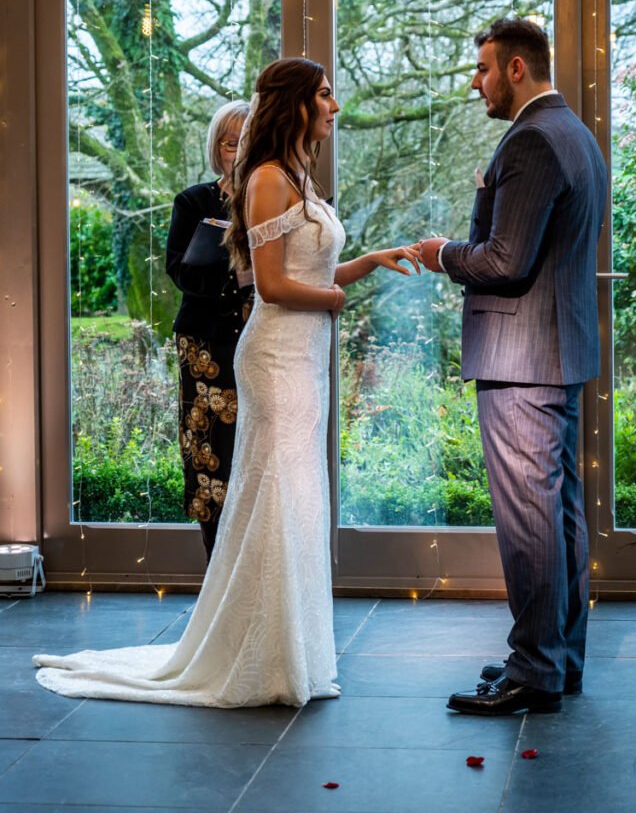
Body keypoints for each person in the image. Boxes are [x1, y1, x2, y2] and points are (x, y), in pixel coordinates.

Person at [33, 57, 420, 708]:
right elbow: (269, 286)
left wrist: (366, 264)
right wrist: (328, 302)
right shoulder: (267, 179)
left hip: (302, 357)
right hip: (274, 356)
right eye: (325, 95)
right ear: (297, 102)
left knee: (296, 498)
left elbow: (307, 267)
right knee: (276, 490)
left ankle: (287, 646)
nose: (333, 106)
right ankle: (260, 649)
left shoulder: (298, 175)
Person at [419, 18, 607, 716]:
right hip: (554, 354)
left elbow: (503, 261)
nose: (476, 82)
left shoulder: (530, 139)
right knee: (556, 517)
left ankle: (535, 671)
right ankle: (554, 660)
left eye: (483, 70)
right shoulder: (574, 134)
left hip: (523, 358)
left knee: (530, 522)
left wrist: (441, 252)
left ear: (517, 68)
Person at [166, 100, 253, 562]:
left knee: (254, 456)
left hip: (261, 338)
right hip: (206, 342)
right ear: (215, 147)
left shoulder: (276, 197)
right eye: (228, 142)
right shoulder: (195, 201)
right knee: (210, 454)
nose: (237, 152)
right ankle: (216, 561)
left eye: (246, 142)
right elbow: (179, 272)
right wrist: (236, 277)